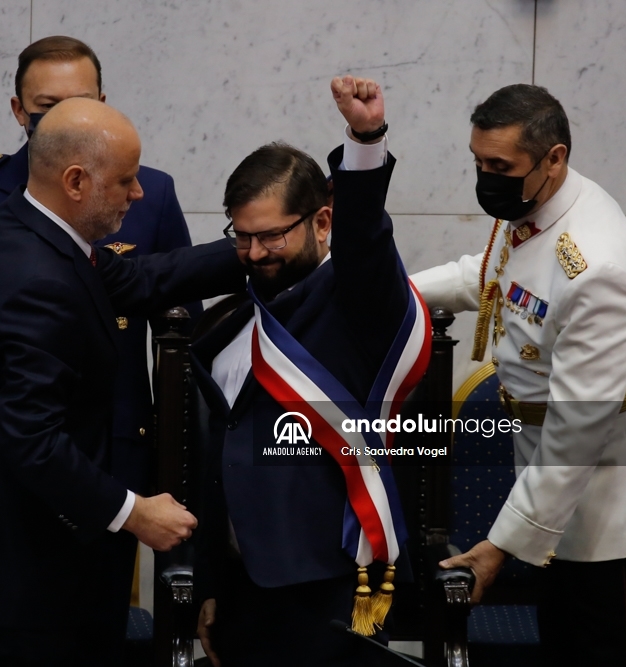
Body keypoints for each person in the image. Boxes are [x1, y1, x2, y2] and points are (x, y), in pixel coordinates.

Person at [0, 97, 245, 666]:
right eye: (126, 181)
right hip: (17, 587)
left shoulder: (24, 230)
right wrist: (133, 513)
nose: (138, 194)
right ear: (75, 181)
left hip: (12, 566)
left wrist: (251, 248)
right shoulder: (35, 280)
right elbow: (32, 441)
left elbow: (137, 278)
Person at [411, 83, 626, 665]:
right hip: (553, 478)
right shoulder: (541, 208)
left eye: (499, 166)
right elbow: (486, 277)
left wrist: (501, 546)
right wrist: (392, 294)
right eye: (478, 162)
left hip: (611, 503)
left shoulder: (597, 266)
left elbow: (576, 431)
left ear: (553, 158)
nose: (486, 177)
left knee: (602, 649)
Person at [192, 77, 427, 666]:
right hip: (243, 588)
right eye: (241, 237)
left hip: (326, 586)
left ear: (323, 223)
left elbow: (368, 240)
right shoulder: (230, 323)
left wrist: (365, 141)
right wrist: (211, 583)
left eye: (271, 235)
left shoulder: (359, 307)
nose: (254, 253)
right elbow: (217, 463)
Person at [0, 35, 199, 499]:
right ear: (19, 110)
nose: (67, 119)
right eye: (47, 107)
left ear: (104, 104)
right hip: (5, 453)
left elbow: (181, 331)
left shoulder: (148, 193)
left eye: (81, 103)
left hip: (117, 445)